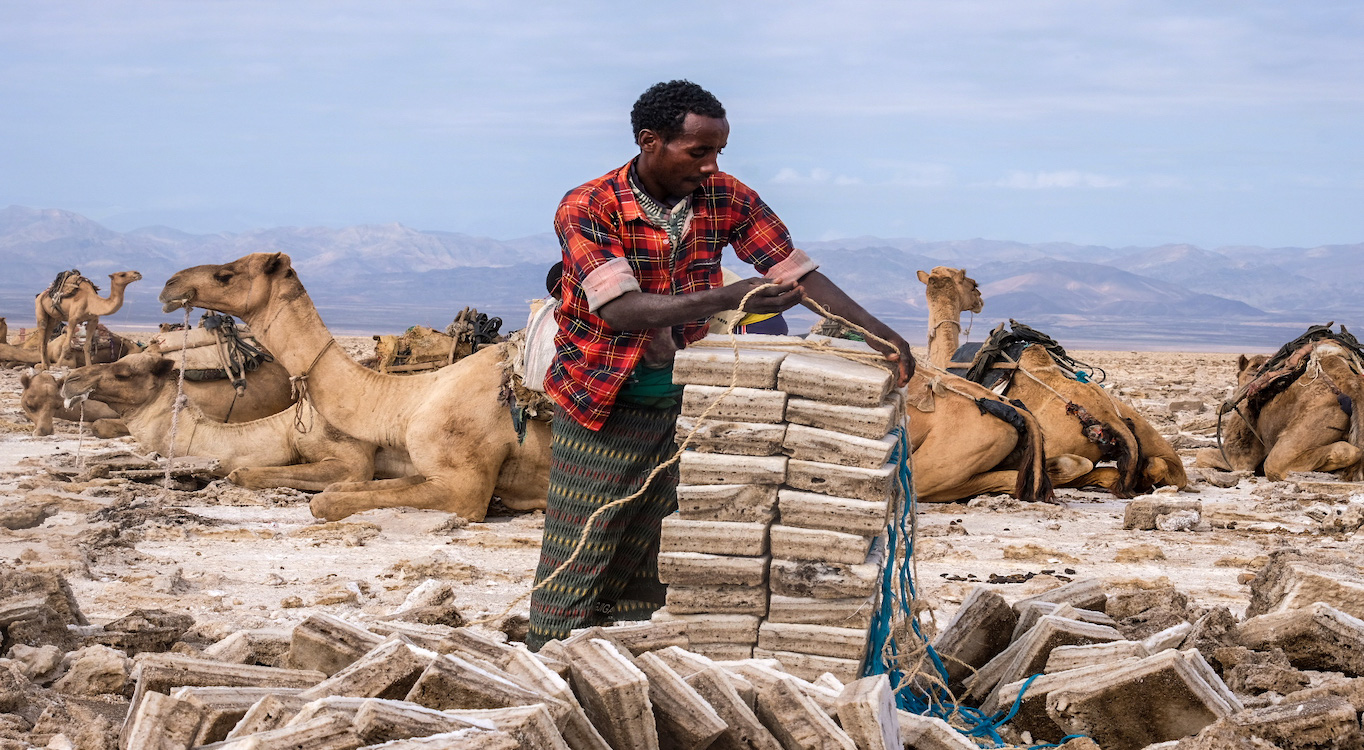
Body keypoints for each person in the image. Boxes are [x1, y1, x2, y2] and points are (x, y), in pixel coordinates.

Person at [526, 80, 913, 650]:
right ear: (649, 141)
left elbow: (794, 271)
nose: (711, 166)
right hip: (603, 397)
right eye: (698, 152)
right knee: (583, 542)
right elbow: (623, 308)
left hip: (686, 400)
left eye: (718, 153)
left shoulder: (725, 196)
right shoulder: (588, 206)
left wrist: (880, 335)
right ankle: (551, 658)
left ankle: (622, 658)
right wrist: (727, 299)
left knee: (658, 542)